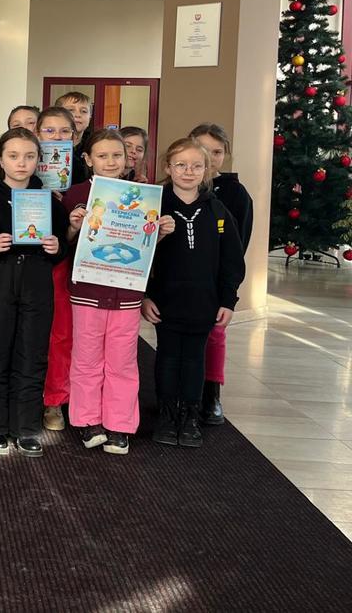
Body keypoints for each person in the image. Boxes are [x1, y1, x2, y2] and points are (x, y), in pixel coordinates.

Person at [0, 127, 68, 457]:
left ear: (38, 161)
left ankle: (27, 428)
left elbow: (62, 246)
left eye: (29, 156)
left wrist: (57, 247)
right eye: (14, 156)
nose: (22, 163)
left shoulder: (50, 203)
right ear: (0, 160)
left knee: (32, 353)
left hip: (36, 282)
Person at [62, 130, 172, 454]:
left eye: (117, 155)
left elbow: (144, 247)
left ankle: (119, 424)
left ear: (128, 159)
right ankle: (88, 421)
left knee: (122, 361)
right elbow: (64, 244)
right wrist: (72, 226)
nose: (110, 162)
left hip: (127, 293)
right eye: (102, 155)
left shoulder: (144, 196)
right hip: (87, 290)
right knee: (86, 359)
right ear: (87, 159)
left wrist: (159, 233)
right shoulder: (76, 194)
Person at [144, 137, 245, 449]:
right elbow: (138, 256)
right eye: (181, 165)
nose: (188, 171)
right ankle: (166, 415)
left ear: (206, 170)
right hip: (165, 301)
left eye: (196, 166)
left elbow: (232, 260)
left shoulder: (218, 211)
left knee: (194, 360)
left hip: (204, 302)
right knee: (167, 357)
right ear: (168, 168)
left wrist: (228, 299)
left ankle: (190, 415)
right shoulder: (153, 206)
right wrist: (145, 296)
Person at [189, 122, 255, 427]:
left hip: (214, 283)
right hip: (179, 281)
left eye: (216, 152)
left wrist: (229, 290)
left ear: (225, 155)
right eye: (202, 149)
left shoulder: (236, 195)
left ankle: (211, 394)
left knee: (214, 336)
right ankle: (177, 395)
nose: (209, 157)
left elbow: (237, 249)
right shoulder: (172, 188)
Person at [35, 105, 79, 432]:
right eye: (49, 131)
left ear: (74, 137)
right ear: (37, 134)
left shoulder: (85, 177)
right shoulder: (24, 170)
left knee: (61, 335)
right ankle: (27, 397)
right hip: (31, 264)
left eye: (64, 131)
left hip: (70, 265)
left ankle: (55, 401)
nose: (56, 137)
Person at [54, 91, 93, 186]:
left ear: (90, 117)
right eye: (71, 110)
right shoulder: (48, 143)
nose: (77, 115)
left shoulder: (95, 145)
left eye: (84, 111)